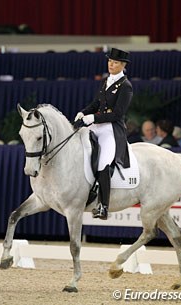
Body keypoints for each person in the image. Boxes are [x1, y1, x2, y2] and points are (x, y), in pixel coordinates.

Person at [74, 48, 133, 220]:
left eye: (115, 63)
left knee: (102, 163)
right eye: (109, 61)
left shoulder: (126, 87)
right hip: (97, 125)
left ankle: (103, 206)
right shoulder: (106, 81)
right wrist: (83, 113)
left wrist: (93, 117)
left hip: (111, 129)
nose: (111, 64)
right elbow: (95, 103)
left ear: (122, 65)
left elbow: (117, 114)